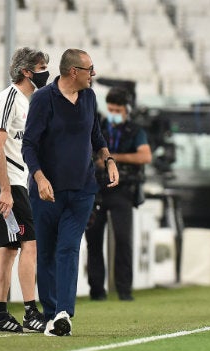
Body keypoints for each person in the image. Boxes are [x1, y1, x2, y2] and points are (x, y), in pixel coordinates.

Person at [22, 49, 119, 336]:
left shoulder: (89, 97)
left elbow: (96, 137)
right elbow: (29, 145)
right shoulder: (43, 99)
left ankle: (63, 313)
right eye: (90, 69)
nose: (94, 74)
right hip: (47, 191)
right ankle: (51, 315)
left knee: (68, 248)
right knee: (48, 252)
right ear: (73, 71)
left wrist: (109, 159)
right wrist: (39, 178)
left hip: (82, 190)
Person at [0, 47, 50, 333]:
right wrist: (5, 190)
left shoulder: (28, 101)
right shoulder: (9, 99)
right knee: (29, 244)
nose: (45, 71)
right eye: (41, 66)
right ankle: (29, 311)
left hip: (16, 182)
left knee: (9, 246)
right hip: (7, 183)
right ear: (26, 71)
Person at [85, 87, 152, 301]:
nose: (113, 112)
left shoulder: (135, 131)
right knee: (94, 239)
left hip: (122, 190)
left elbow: (145, 156)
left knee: (123, 239)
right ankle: (97, 290)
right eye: (110, 108)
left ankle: (124, 290)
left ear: (126, 110)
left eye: (117, 109)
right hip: (97, 189)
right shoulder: (99, 126)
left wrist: (113, 158)